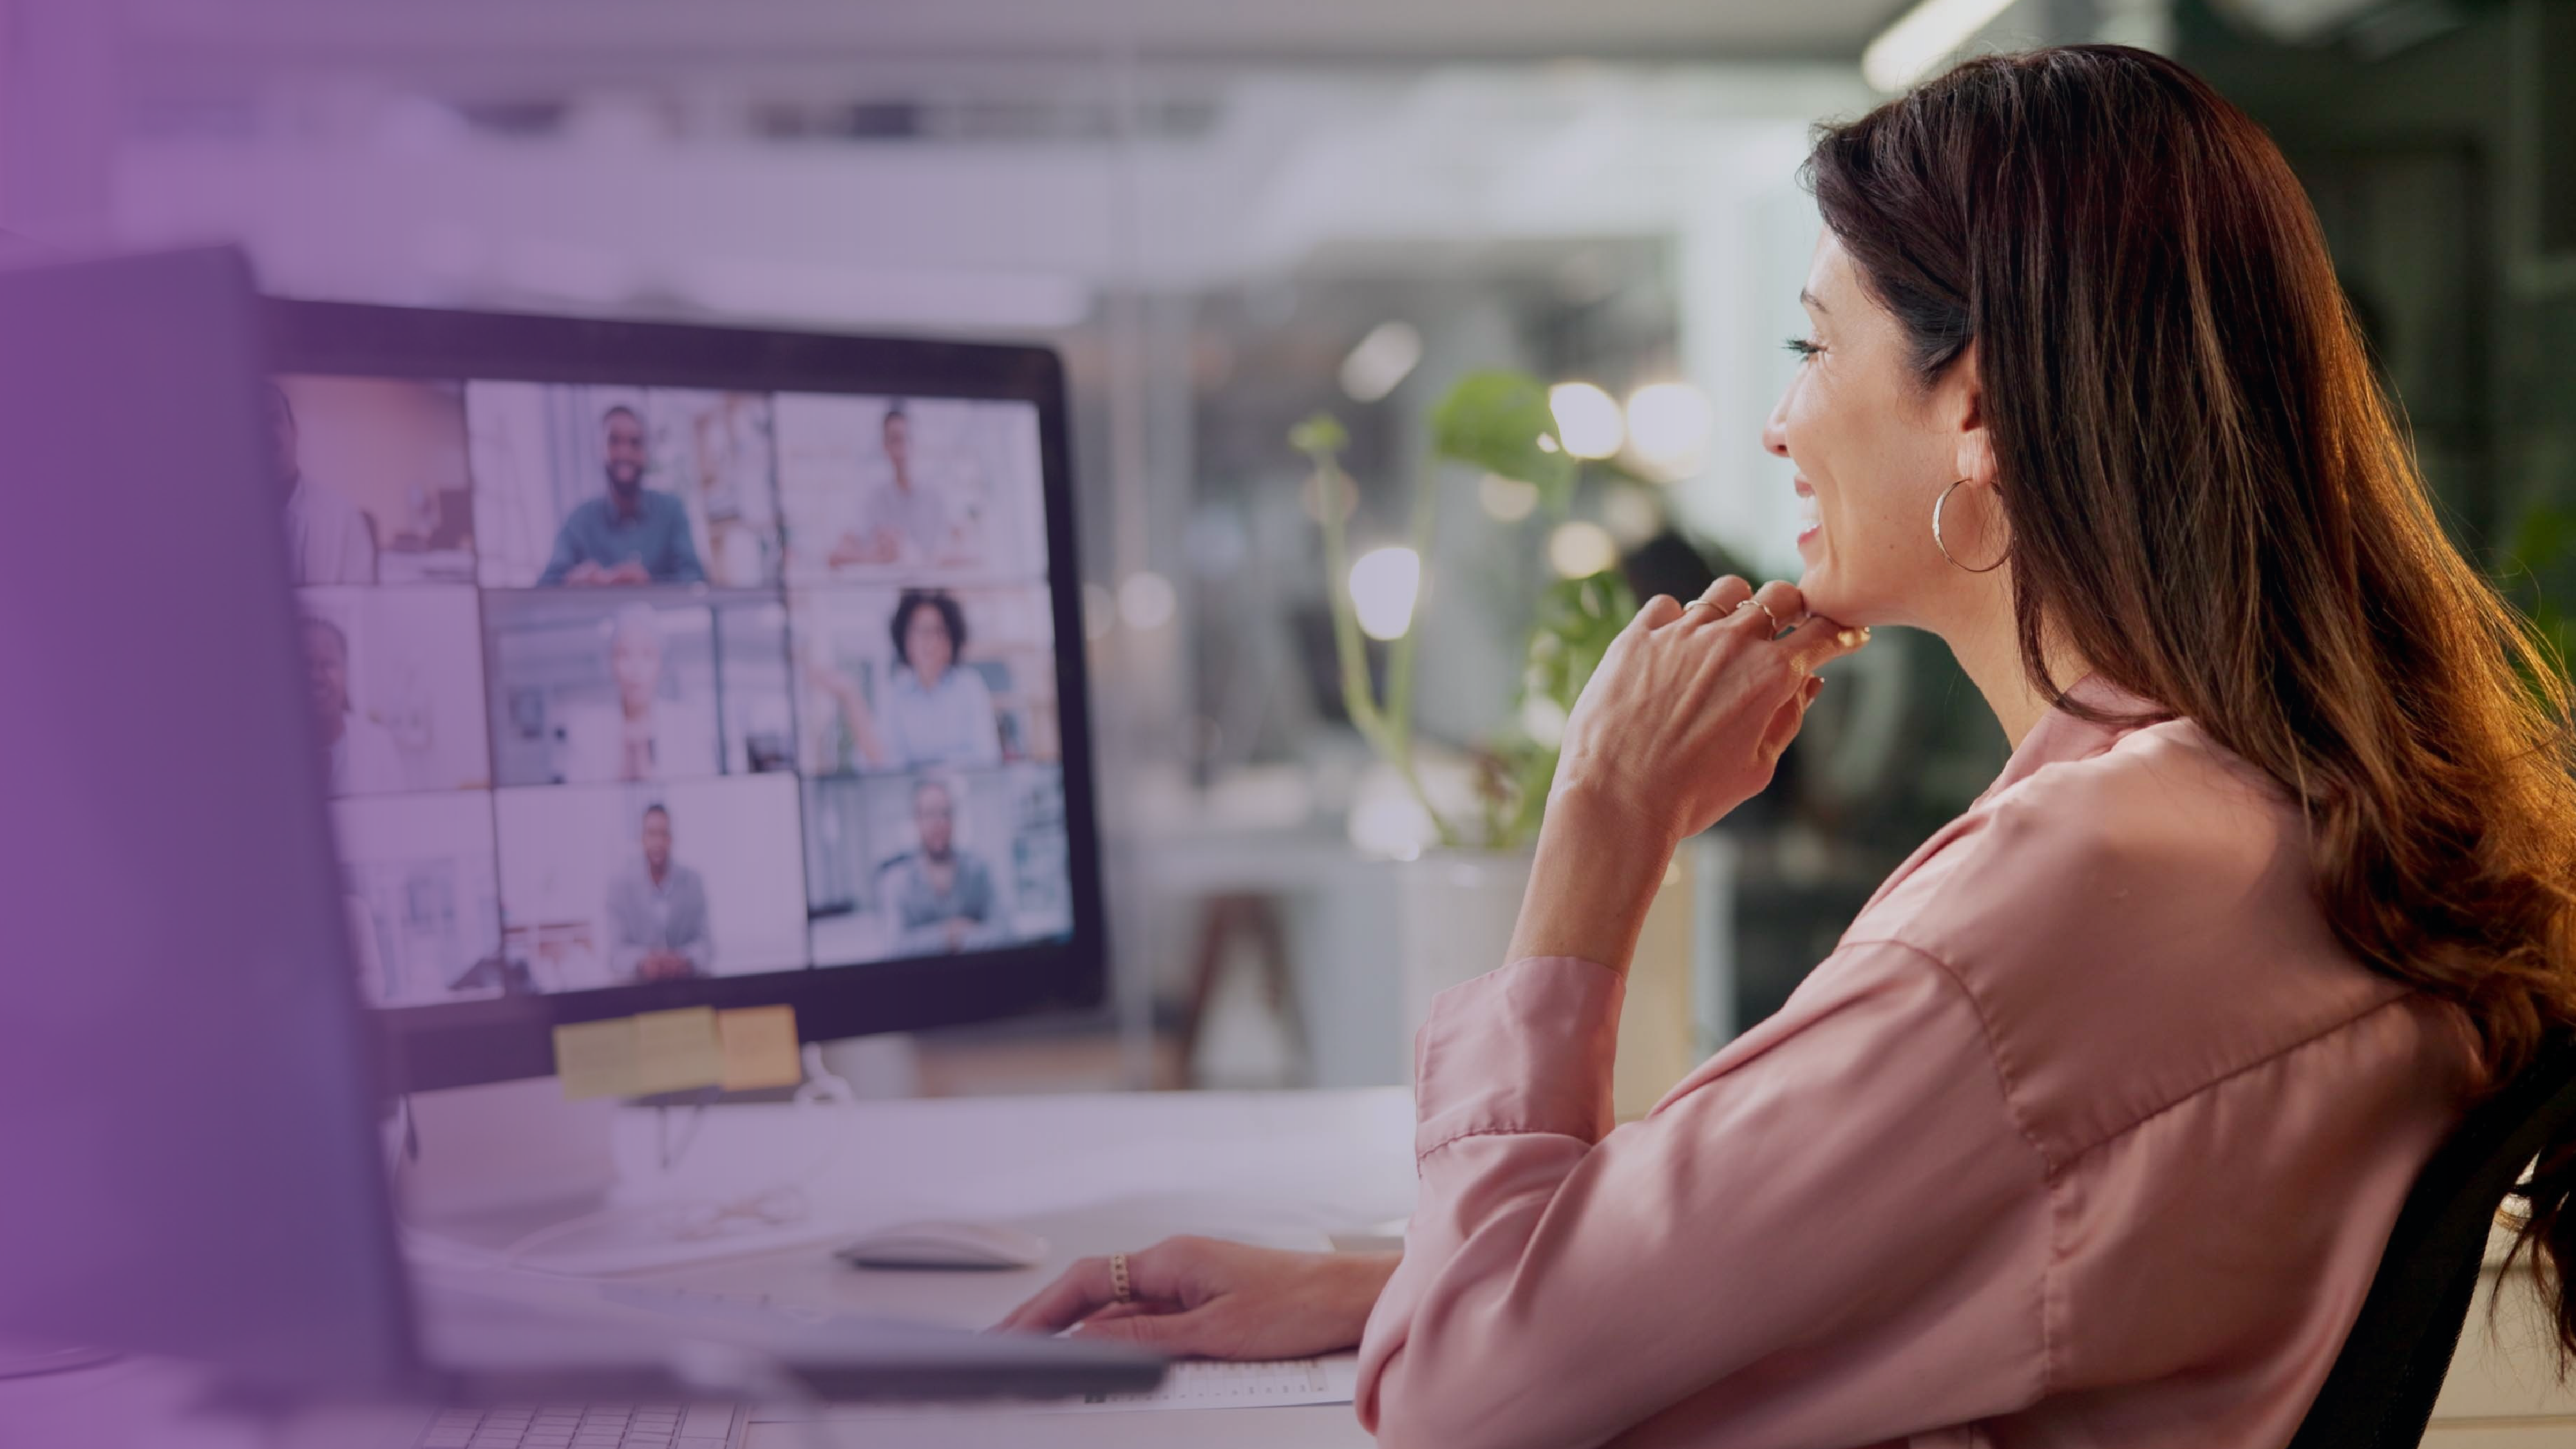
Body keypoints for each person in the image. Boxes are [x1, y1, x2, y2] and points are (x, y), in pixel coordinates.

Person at [996, 46, 2576, 1448]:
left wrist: (1601, 823)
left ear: (1981, 410)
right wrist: (1391, 1281)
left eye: (1813, 348)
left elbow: (1463, 1400)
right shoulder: (2275, 816)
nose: (1779, 423)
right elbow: (1892, 1255)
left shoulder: (2082, 888)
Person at [803, 589, 1004, 772]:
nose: (929, 642)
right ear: (905, 639)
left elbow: (985, 756)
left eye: (938, 631)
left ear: (952, 638)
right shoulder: (896, 692)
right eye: (919, 631)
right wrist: (849, 694)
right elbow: (879, 761)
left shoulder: (969, 687)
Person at [537, 404, 708, 586]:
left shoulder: (671, 511)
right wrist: (574, 580)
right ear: (600, 449)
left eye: (635, 443)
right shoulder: (579, 520)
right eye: (614, 441)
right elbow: (544, 588)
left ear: (646, 452)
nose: (624, 452)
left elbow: (695, 579)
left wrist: (650, 583)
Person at [556, 603, 717, 783]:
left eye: (647, 654)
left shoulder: (688, 725)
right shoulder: (585, 730)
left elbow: (704, 793)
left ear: (661, 665)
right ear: (611, 664)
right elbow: (576, 800)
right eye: (624, 655)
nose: (636, 668)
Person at [827, 402, 972, 569]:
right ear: (885, 447)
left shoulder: (937, 496)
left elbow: (968, 553)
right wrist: (876, 558)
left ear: (915, 442)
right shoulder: (873, 500)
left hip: (931, 591)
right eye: (895, 440)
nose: (902, 449)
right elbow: (836, 557)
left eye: (906, 438)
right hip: (886, 592)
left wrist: (918, 557)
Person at [876, 776, 1009, 956]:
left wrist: (932, 940)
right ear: (917, 820)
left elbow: (1005, 933)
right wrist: (948, 935)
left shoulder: (979, 871)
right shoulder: (897, 881)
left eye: (946, 813)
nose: (940, 822)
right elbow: (896, 947)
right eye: (930, 814)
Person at [272, 383, 379, 585]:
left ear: (294, 431)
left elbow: (360, 608)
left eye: (273, 419)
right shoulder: (220, 519)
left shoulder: (343, 516)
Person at [603, 804, 712, 983]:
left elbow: (707, 945)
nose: (658, 842)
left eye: (664, 834)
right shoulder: (619, 886)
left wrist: (684, 959)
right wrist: (643, 961)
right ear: (642, 838)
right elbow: (614, 952)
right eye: (652, 834)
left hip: (686, 990)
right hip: (637, 994)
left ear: (671, 839)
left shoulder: (693, 881)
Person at [301, 615, 406, 796]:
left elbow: (399, 819)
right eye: (306, 665)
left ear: (345, 671)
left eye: (328, 664)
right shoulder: (272, 749)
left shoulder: (379, 745)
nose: (316, 676)